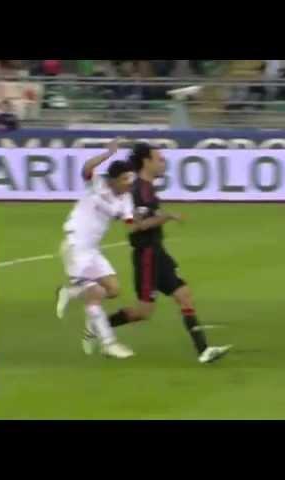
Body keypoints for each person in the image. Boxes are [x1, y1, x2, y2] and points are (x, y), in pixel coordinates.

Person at [104, 143, 232, 364]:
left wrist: (163, 216)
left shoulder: (147, 187)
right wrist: (167, 216)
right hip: (146, 256)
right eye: (159, 159)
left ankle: (204, 350)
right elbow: (136, 225)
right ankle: (100, 326)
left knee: (184, 294)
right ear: (147, 162)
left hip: (157, 252)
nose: (163, 163)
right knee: (144, 312)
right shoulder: (139, 190)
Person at [55, 139, 137, 359]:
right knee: (95, 295)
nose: (129, 184)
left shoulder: (126, 198)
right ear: (113, 179)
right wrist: (107, 154)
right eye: (125, 179)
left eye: (131, 179)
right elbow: (86, 168)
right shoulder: (97, 183)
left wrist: (145, 218)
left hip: (92, 250)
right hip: (75, 245)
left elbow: (130, 222)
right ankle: (108, 343)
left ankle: (69, 292)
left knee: (113, 289)